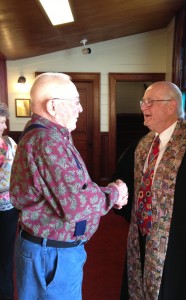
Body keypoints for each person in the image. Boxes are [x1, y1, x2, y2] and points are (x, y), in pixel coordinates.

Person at [10, 72, 128, 300]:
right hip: (52, 255)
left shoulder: (47, 134)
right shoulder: (47, 141)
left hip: (46, 250)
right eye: (75, 102)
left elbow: (74, 188)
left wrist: (105, 193)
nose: (80, 109)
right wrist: (115, 192)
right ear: (53, 106)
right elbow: (76, 205)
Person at [126, 81, 186, 299]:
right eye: (143, 101)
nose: (144, 107)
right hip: (143, 242)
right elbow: (125, 183)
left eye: (150, 102)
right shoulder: (144, 144)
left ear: (171, 106)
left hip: (182, 251)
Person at [0, 103, 18, 300]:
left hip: (8, 209)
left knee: (5, 257)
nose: (4, 126)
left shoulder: (10, 143)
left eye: (4, 122)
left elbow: (21, 169)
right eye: (1, 123)